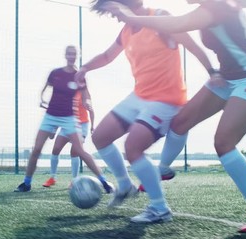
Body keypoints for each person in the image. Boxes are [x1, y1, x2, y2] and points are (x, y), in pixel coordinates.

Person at [102, 0, 246, 233]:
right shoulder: (221, 3)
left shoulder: (213, 8)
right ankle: (163, 169)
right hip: (226, 77)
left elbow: (176, 24)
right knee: (180, 122)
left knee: (223, 142)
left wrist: (131, 18)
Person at [76, 0, 217, 224]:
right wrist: (84, 68)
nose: (113, 17)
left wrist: (212, 71)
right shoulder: (126, 31)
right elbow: (106, 56)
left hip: (167, 99)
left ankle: (159, 209)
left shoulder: (160, 16)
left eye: (113, 11)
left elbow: (191, 45)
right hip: (139, 96)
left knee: (133, 147)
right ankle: (124, 186)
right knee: (100, 137)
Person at [15, 45, 113, 193]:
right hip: (51, 116)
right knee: (36, 149)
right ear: (65, 55)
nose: (71, 56)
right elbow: (46, 87)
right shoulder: (55, 73)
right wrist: (41, 98)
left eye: (74, 54)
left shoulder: (79, 76)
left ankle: (105, 183)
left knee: (80, 150)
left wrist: (87, 103)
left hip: (69, 118)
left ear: (77, 56)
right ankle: (26, 183)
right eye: (69, 53)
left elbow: (86, 95)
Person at [42, 85, 95, 187]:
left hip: (82, 126)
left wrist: (92, 126)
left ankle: (74, 180)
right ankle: (52, 178)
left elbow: (91, 110)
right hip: (68, 124)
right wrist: (54, 129)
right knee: (56, 149)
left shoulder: (84, 93)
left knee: (74, 152)